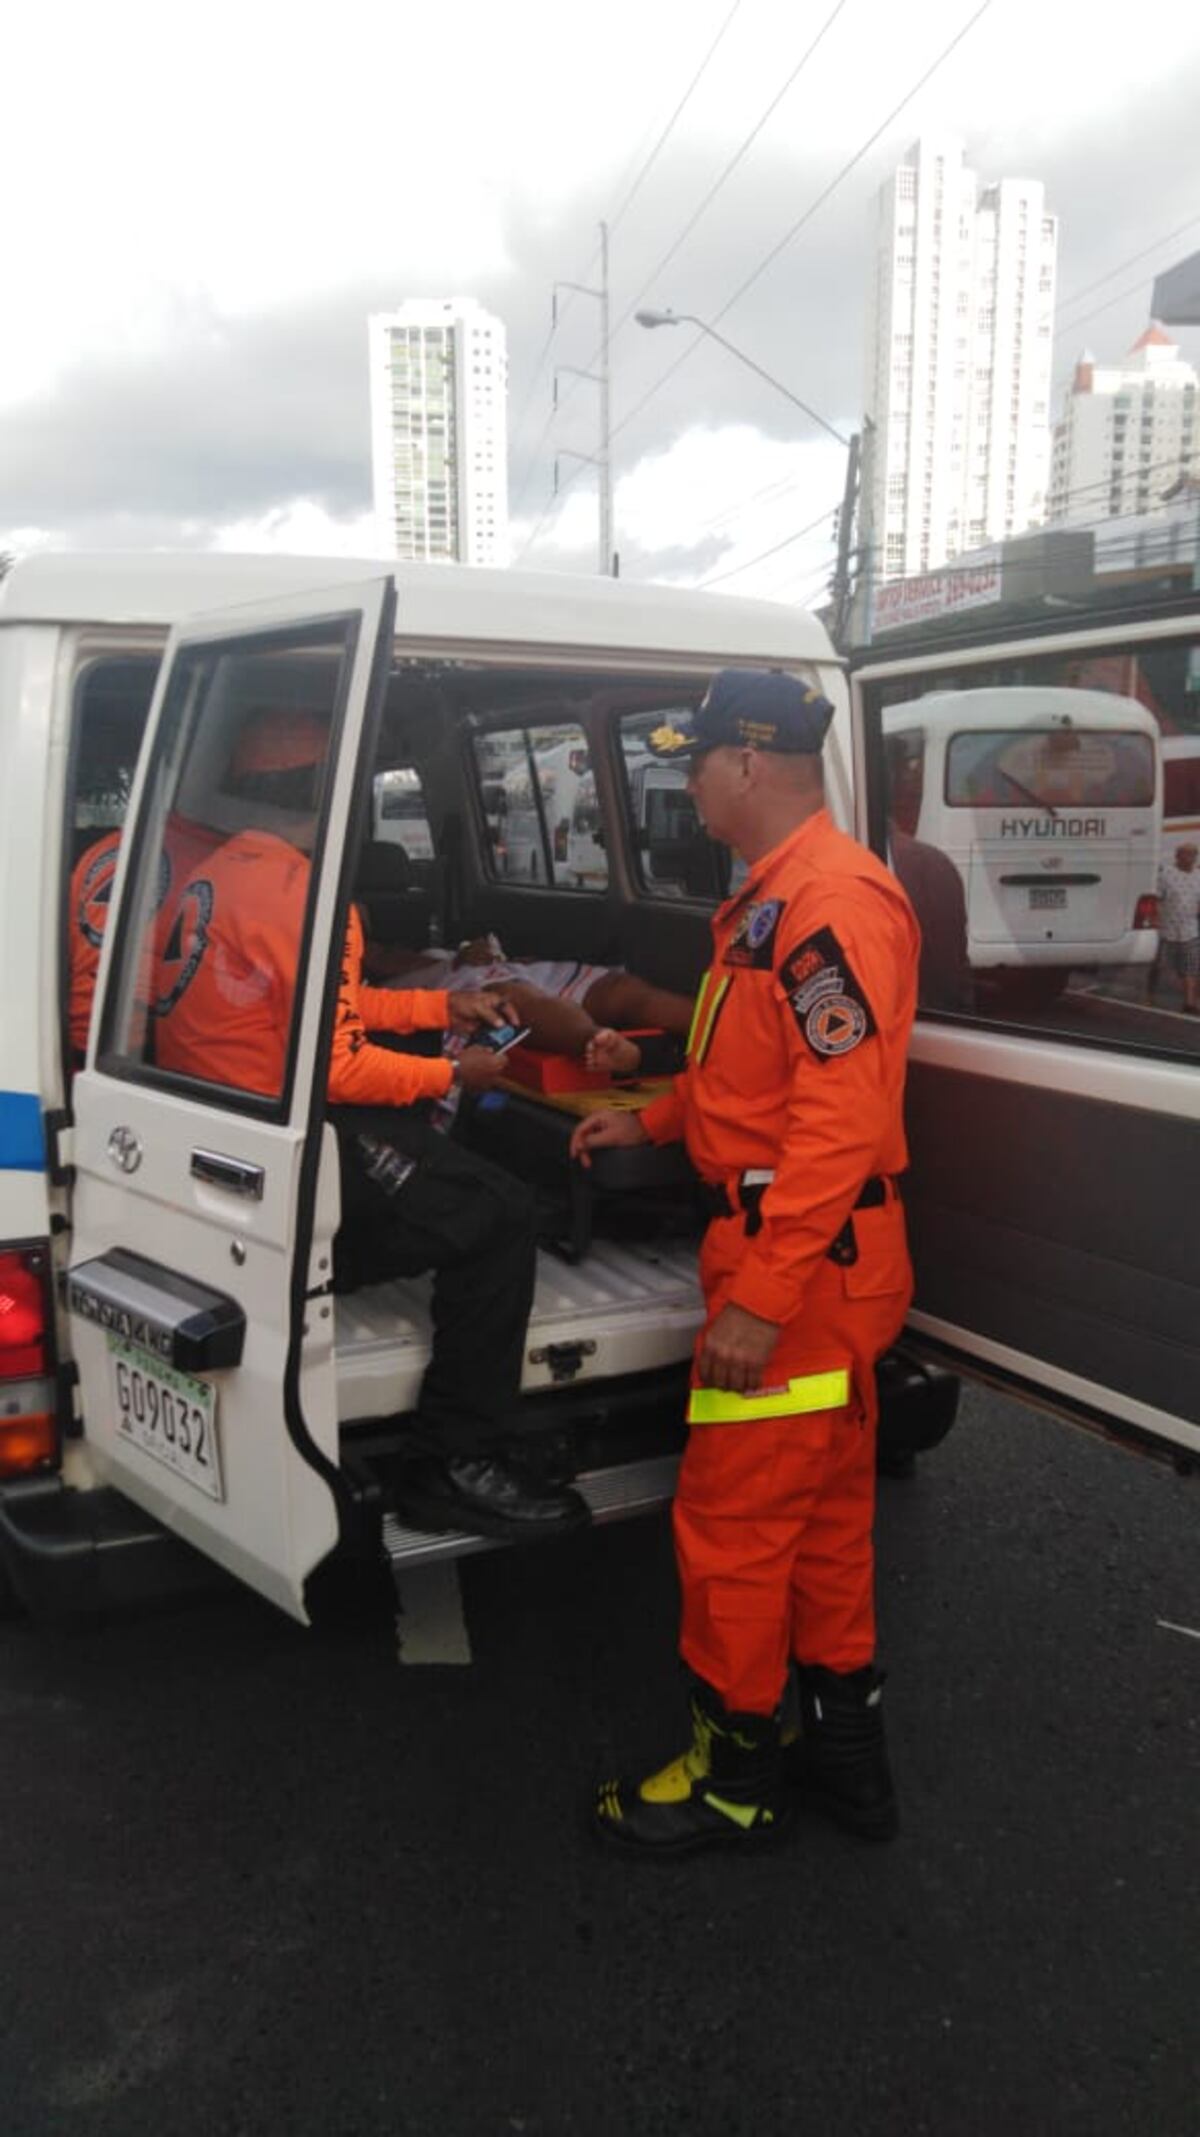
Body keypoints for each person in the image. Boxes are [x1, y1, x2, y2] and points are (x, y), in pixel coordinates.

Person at [571, 669, 920, 1855]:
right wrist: (657, 1118)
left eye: (697, 760)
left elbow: (838, 1116)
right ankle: (846, 1764)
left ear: (751, 767)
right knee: (820, 1524)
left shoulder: (828, 905)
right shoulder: (774, 903)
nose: (687, 780)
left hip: (801, 1268)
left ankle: (732, 1779)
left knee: (732, 1526)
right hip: (821, 1259)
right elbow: (754, 1074)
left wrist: (764, 1298)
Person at [154, 707, 589, 1541]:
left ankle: (353, 1262)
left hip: (231, 1114)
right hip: (297, 1128)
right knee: (498, 1212)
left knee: (443, 1182)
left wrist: (440, 1003)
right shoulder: (305, 897)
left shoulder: (220, 872)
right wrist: (453, 1069)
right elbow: (341, 1064)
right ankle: (451, 1461)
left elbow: (324, 1007)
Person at [374, 936, 694, 1075]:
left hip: (509, 967)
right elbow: (379, 960)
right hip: (463, 987)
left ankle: (725, 1026)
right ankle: (597, 1041)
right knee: (515, 1000)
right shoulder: (384, 981)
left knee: (620, 990)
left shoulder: (437, 951)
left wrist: (468, 951)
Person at [1153, 841, 1200, 1016]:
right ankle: (1150, 994)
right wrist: (1155, 919)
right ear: (1177, 856)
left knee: (1191, 968)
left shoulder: (1198, 876)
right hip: (1167, 930)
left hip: (1190, 930)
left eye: (1194, 854)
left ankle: (1189, 1003)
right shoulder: (1166, 875)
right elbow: (1156, 899)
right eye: (1187, 854)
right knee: (1159, 966)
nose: (1191, 858)